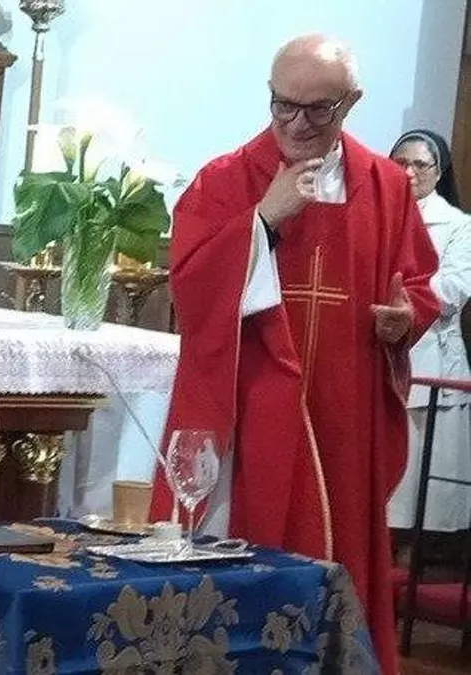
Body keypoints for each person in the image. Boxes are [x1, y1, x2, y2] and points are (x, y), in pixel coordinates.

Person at [149, 34, 440, 672]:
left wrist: (405, 319)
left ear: (351, 102)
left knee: (340, 556)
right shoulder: (225, 179)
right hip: (250, 405)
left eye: (318, 109)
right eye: (284, 105)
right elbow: (190, 292)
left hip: (345, 410)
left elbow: (418, 284)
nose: (298, 123)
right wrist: (262, 220)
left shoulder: (387, 186)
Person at [387, 130, 471, 536]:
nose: (409, 172)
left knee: (417, 471)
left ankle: (412, 548)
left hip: (428, 351)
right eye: (400, 162)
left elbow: (455, 285)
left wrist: (401, 299)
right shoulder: (377, 213)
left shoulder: (458, 225)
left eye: (420, 164)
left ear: (440, 172)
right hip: (376, 347)